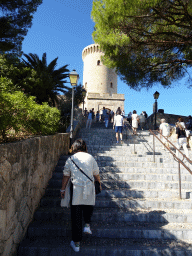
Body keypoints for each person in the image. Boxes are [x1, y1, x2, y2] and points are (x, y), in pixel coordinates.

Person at [60, 139, 101, 252]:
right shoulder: (90, 157)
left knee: (76, 215)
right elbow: (96, 173)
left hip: (76, 188)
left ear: (74, 147)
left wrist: (62, 189)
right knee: (88, 205)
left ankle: (76, 244)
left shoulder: (71, 159)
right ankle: (87, 225)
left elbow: (66, 175)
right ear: (84, 147)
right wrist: (99, 184)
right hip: (89, 186)